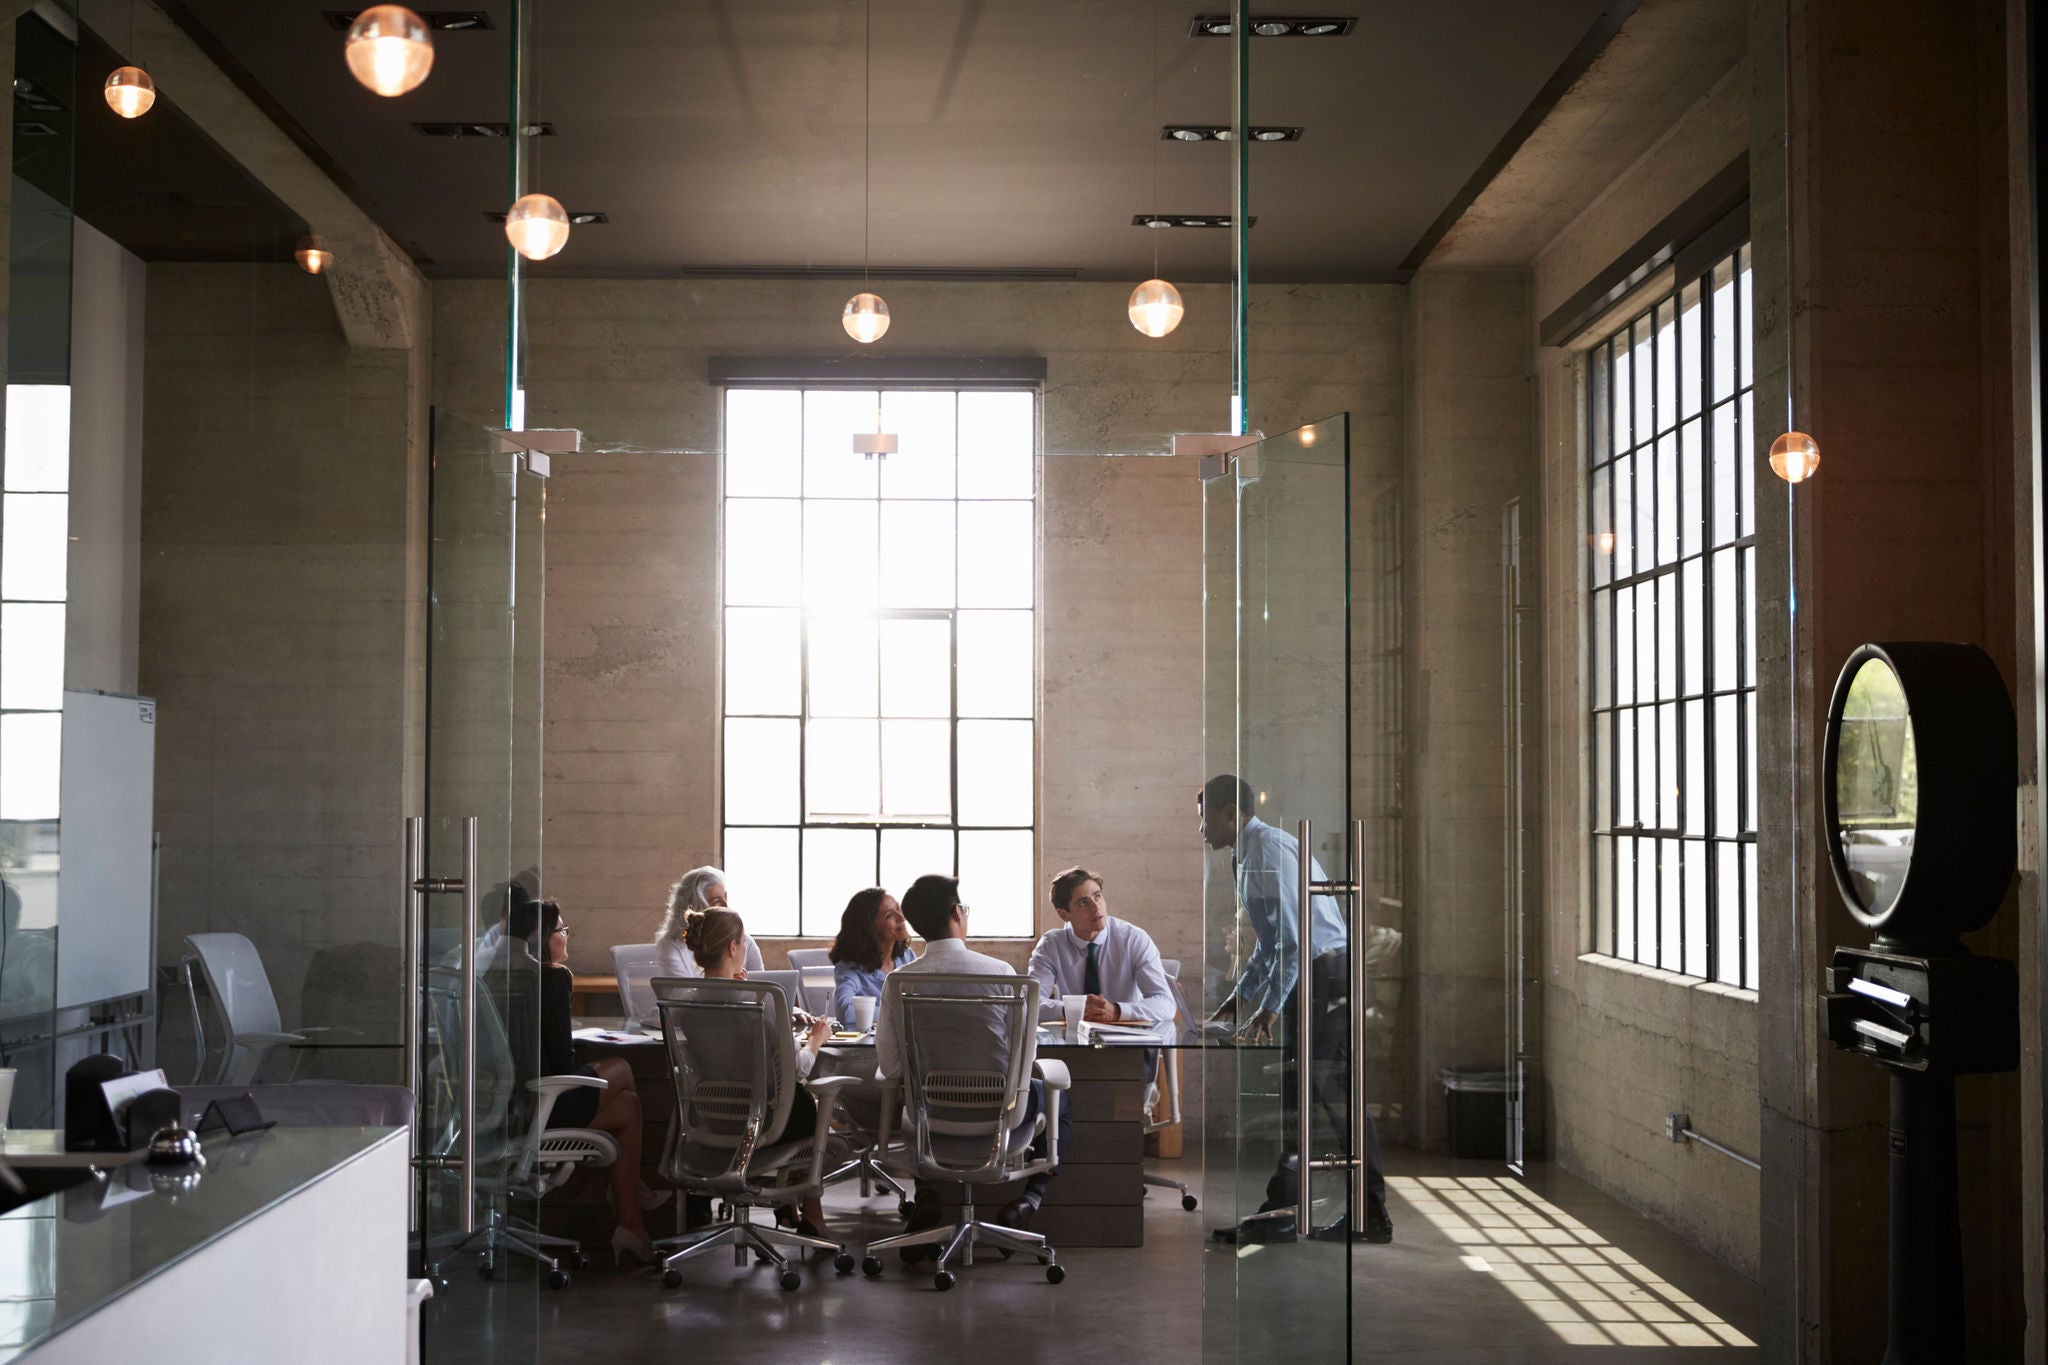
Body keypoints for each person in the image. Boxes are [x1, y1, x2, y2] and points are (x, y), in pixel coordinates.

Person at [1200, 774, 1391, 1244]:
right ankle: (1318, 1213)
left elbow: (1292, 942)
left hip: (1325, 975)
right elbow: (1270, 942)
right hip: (1317, 974)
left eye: (1203, 817)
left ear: (1230, 814)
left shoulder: (1265, 850)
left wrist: (1267, 1007)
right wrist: (1241, 994)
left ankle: (1302, 1214)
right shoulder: (1246, 852)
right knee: (1313, 1095)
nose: (1199, 828)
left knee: (1311, 1095)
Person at [878, 874, 1069, 1247]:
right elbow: (1025, 1059)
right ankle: (1031, 1197)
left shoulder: (900, 981)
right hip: (1000, 1120)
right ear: (956, 913)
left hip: (928, 1122)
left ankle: (929, 1195)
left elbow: (891, 1067)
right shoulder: (1001, 975)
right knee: (1052, 1085)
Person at [510, 896, 666, 1265]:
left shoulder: (498, 975)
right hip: (542, 1104)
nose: (566, 937)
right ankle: (631, 1193)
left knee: (628, 1107)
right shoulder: (553, 977)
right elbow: (562, 1060)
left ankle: (631, 1224)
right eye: (562, 930)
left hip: (506, 1106)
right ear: (541, 935)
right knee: (623, 1070)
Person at [685, 905, 830, 1234]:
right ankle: (813, 1216)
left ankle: (788, 1206)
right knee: (809, 1105)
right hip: (760, 1122)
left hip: (710, 1117)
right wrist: (816, 1041)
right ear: (733, 948)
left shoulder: (685, 1003)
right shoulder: (759, 1002)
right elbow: (795, 1072)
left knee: (795, 1103)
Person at [1027, 867, 1175, 1026]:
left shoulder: (1133, 939)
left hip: (1129, 1041)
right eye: (1083, 903)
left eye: (1097, 896)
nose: (1096, 907)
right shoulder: (1051, 945)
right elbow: (1030, 1003)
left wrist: (1117, 1011)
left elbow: (1165, 1003)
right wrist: (1072, 1009)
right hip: (1071, 1042)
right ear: (1063, 914)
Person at [655, 866, 764, 979]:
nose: (726, 906)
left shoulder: (744, 942)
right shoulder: (672, 947)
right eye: (716, 901)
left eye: (725, 898)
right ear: (696, 907)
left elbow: (762, 987)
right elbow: (680, 993)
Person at [827, 886, 915, 1025]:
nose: (902, 917)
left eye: (899, 909)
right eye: (889, 915)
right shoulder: (850, 968)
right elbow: (846, 1012)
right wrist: (900, 1013)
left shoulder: (906, 956)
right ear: (868, 927)